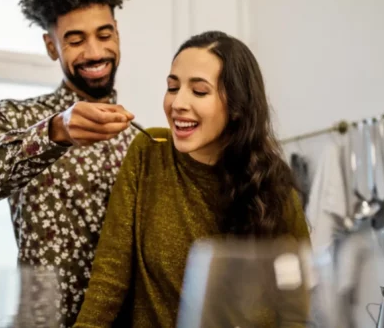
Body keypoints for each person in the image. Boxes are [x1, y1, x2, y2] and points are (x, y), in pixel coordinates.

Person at [73, 31, 311, 328]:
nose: (177, 103)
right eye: (173, 87)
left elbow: (297, 306)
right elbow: (109, 279)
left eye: (198, 91)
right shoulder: (147, 153)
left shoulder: (273, 182)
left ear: (237, 106)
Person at [0, 0, 137, 326]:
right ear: (52, 46)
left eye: (104, 36)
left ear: (117, 35)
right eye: (76, 40)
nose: (94, 52)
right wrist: (55, 132)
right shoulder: (15, 118)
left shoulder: (141, 142)